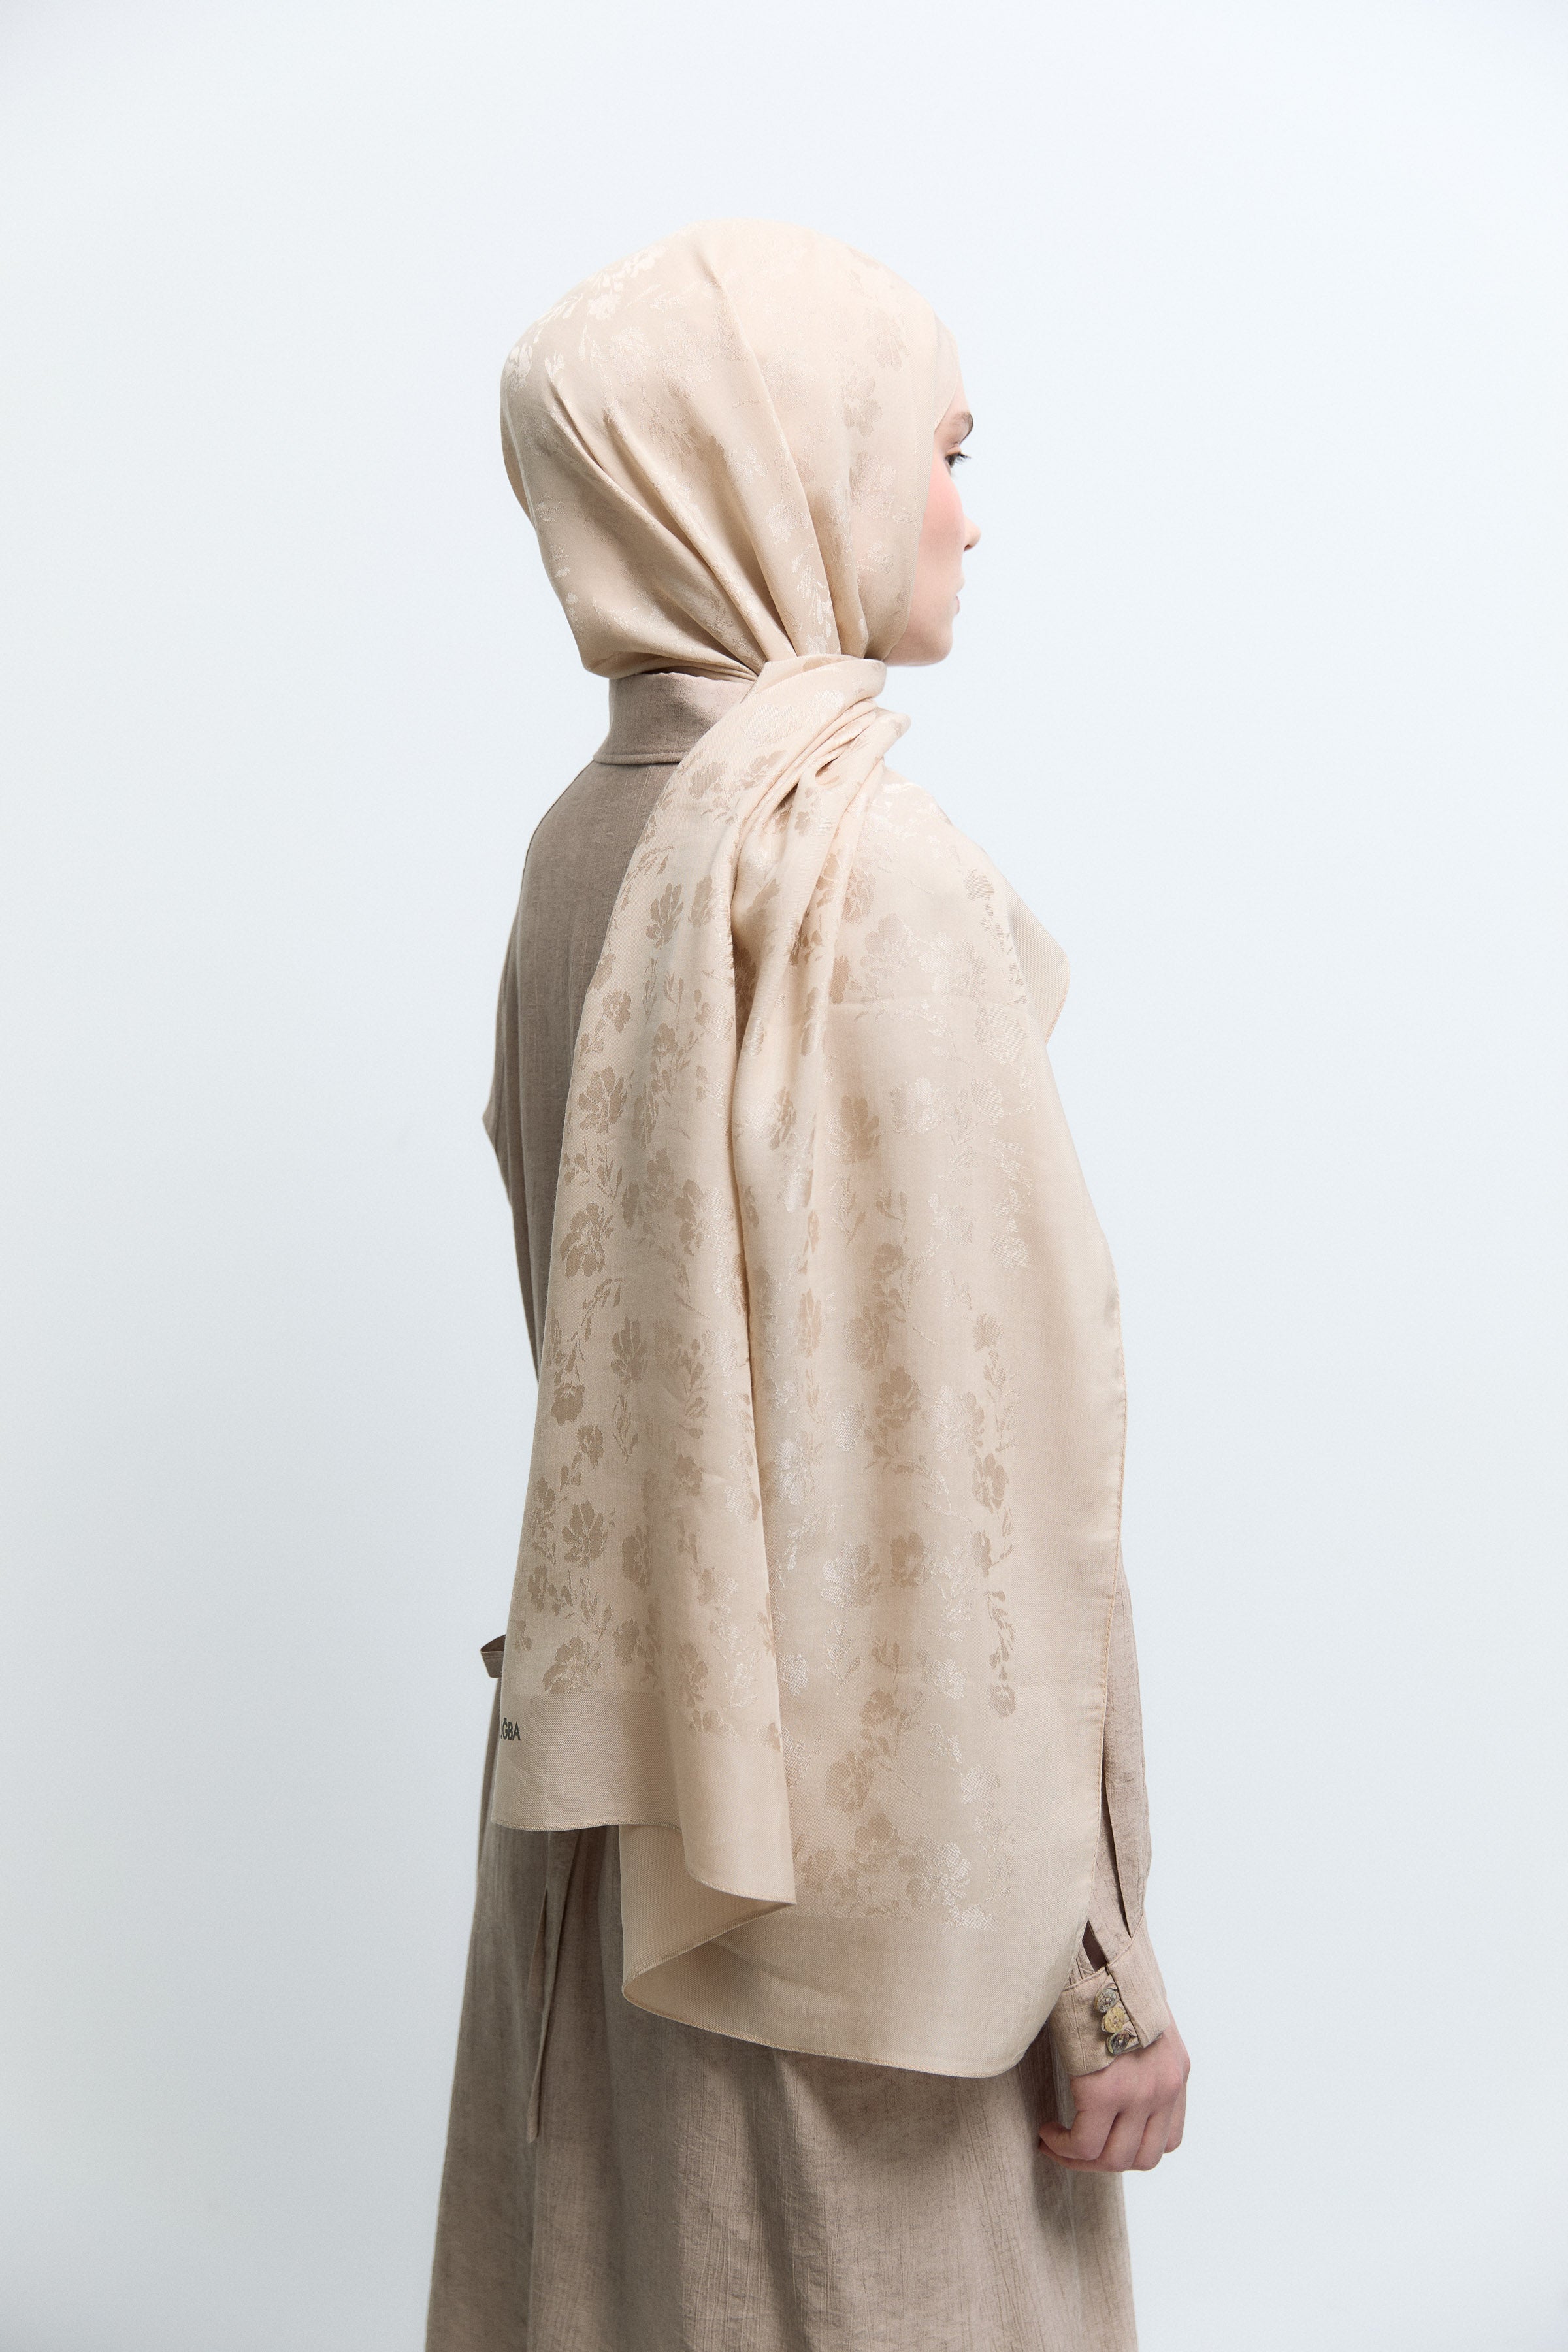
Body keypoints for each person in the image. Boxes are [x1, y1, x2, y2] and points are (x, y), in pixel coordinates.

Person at [427, 219, 1189, 2352]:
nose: (966, 513)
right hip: (862, 1891)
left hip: (619, 1834)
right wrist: (1101, 1966)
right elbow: (980, 1488)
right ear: (784, 464)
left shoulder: (587, 840)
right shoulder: (858, 871)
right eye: (941, 448)